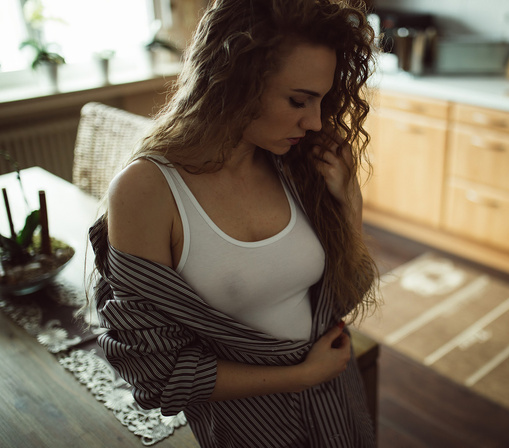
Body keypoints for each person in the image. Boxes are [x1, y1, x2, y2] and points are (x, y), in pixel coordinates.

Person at [88, 0, 380, 446]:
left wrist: (349, 203)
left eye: (320, 100)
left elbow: (341, 294)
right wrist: (300, 375)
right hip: (247, 426)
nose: (316, 121)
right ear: (236, 80)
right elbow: (156, 374)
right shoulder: (148, 190)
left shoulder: (298, 161)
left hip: (337, 404)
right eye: (299, 100)